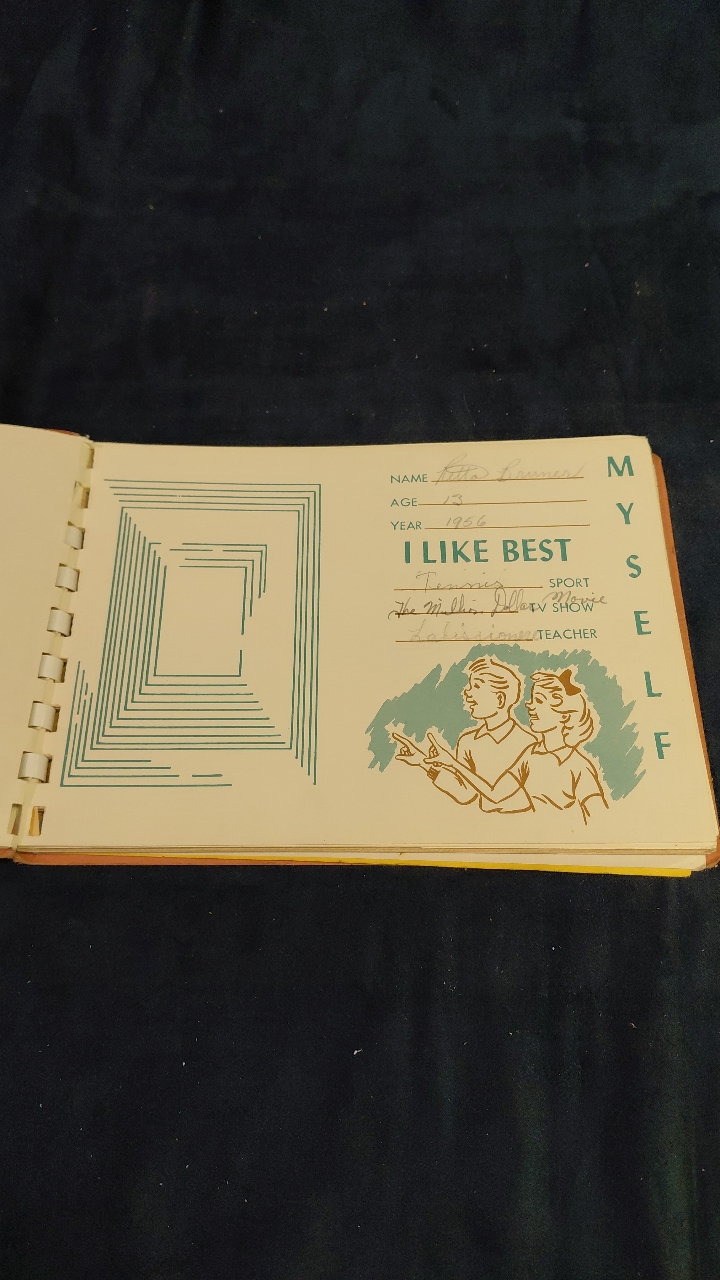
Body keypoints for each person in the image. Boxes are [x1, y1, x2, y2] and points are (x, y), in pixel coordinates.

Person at [422, 668, 608, 824]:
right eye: (532, 699)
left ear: (564, 715)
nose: (529, 705)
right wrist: (449, 763)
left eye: (539, 701)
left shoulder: (578, 765)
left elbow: (599, 821)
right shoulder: (529, 755)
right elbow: (494, 794)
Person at [392, 655, 535, 813]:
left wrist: (453, 763)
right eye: (469, 685)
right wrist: (423, 762)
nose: (467, 692)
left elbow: (496, 795)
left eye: (477, 686)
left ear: (500, 699)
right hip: (485, 822)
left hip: (522, 821)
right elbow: (465, 794)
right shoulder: (467, 741)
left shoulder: (527, 742)